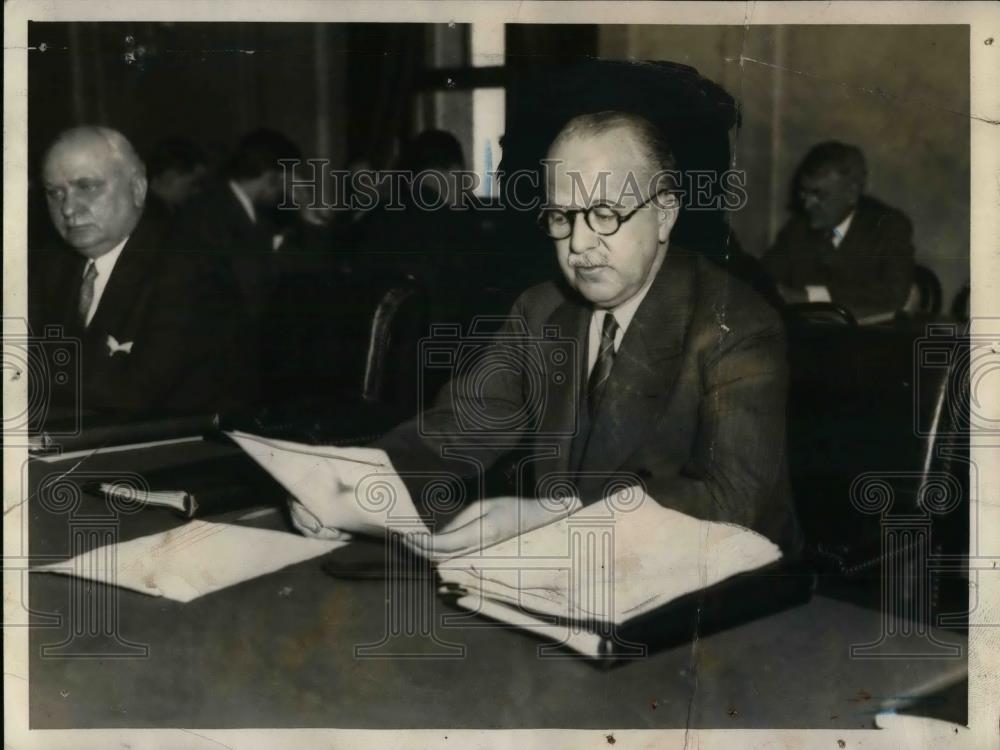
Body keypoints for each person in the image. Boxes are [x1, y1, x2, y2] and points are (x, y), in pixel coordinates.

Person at [288, 111, 802, 556]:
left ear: (664, 213)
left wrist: (556, 516)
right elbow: (454, 431)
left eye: (604, 214)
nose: (579, 243)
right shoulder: (543, 310)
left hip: (716, 602)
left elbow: (736, 504)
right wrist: (350, 488)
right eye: (561, 215)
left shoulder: (738, 324)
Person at [30, 126, 249, 417]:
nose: (68, 208)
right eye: (55, 192)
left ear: (138, 188)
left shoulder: (190, 266)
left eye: (87, 186)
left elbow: (133, 396)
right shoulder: (50, 263)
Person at [761, 141, 916, 321]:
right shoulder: (797, 228)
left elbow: (894, 293)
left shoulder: (889, 226)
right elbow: (765, 278)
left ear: (852, 192)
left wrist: (810, 297)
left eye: (820, 195)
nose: (808, 204)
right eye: (804, 192)